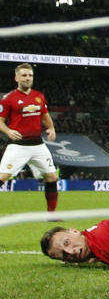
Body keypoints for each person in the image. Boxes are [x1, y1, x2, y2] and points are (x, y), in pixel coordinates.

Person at [0, 63, 59, 211]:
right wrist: (8, 131)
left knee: (52, 177)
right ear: (16, 78)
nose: (28, 78)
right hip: (18, 145)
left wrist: (51, 127)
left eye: (30, 75)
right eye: (24, 75)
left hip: (38, 145)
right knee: (2, 177)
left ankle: (51, 214)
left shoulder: (39, 96)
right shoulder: (8, 98)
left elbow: (45, 115)